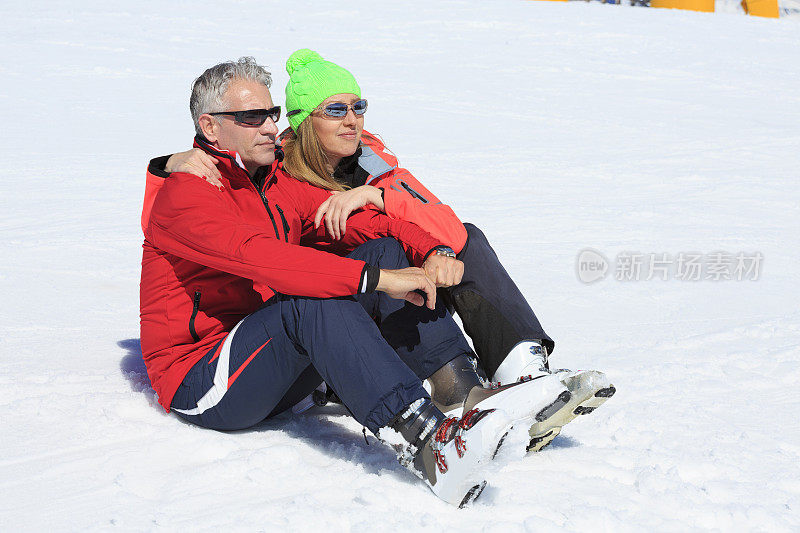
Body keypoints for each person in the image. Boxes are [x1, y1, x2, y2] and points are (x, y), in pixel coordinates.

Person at [139, 57, 577, 507]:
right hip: (202, 377)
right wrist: (378, 280)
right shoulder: (185, 195)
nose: (270, 127)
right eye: (252, 117)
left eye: (271, 114)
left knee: (381, 248)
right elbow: (266, 261)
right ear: (210, 128)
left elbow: (365, 224)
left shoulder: (273, 184)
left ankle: (462, 394)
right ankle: (429, 444)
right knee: (313, 293)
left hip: (271, 356)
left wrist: (428, 250)